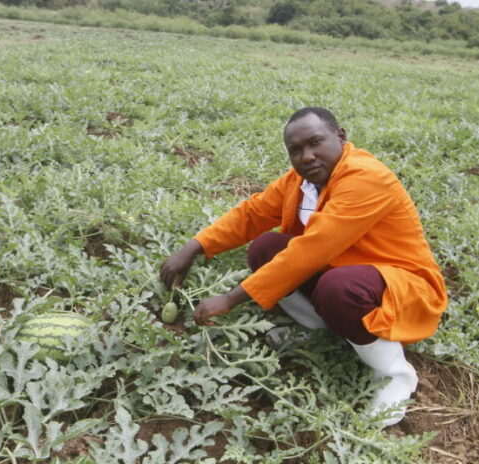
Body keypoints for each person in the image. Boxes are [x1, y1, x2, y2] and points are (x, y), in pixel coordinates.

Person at [160, 107, 448, 427]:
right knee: (265, 249)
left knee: (338, 288)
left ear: (340, 137)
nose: (306, 156)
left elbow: (310, 251)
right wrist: (195, 246)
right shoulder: (300, 181)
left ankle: (395, 374)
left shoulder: (366, 177)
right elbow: (252, 213)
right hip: (344, 268)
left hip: (401, 286)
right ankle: (314, 328)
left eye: (315, 143)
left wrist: (230, 299)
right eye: (295, 150)